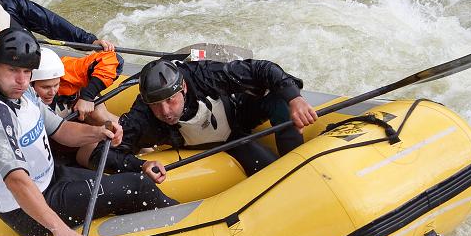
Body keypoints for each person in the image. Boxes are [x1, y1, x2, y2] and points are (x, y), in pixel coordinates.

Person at [0, 29, 176, 236]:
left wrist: (99, 132)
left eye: (27, 72)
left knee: (118, 188)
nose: (21, 80)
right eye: (12, 70)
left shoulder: (23, 91)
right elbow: (17, 181)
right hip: (26, 211)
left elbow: (60, 130)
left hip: (52, 178)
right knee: (138, 186)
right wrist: (60, 231)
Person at [98, 57, 318, 183]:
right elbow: (103, 153)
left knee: (281, 98)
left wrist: (295, 98)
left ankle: (295, 162)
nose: (165, 111)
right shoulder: (143, 117)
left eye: (171, 100)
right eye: (156, 104)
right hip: (224, 142)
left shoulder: (205, 75)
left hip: (238, 113)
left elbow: (262, 69)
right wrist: (141, 164)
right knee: (270, 172)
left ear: (182, 88)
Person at [30, 47, 123, 167]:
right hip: (60, 139)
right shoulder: (20, 93)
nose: (52, 92)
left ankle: (139, 144)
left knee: (99, 115)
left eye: (56, 85)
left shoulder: (65, 69)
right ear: (30, 83)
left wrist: (87, 97)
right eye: (45, 87)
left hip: (83, 115)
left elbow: (113, 59)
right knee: (84, 152)